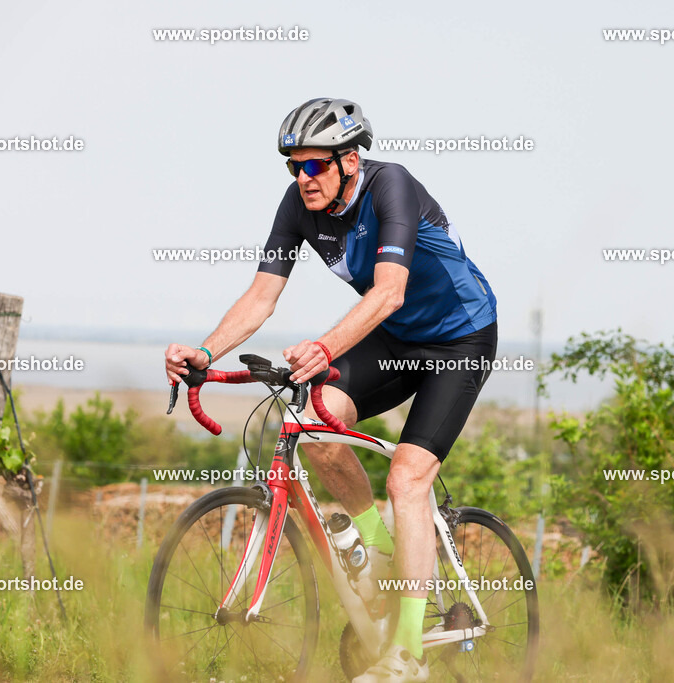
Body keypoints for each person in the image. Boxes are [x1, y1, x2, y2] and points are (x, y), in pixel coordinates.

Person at [164, 97, 497, 682]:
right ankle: (375, 558)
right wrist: (207, 350)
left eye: (315, 165)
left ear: (349, 159)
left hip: (459, 339)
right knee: (317, 430)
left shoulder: (391, 186)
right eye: (293, 166)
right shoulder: (298, 204)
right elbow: (262, 294)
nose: (302, 177)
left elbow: (389, 290)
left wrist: (324, 346)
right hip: (394, 339)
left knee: (407, 479)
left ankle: (409, 652)